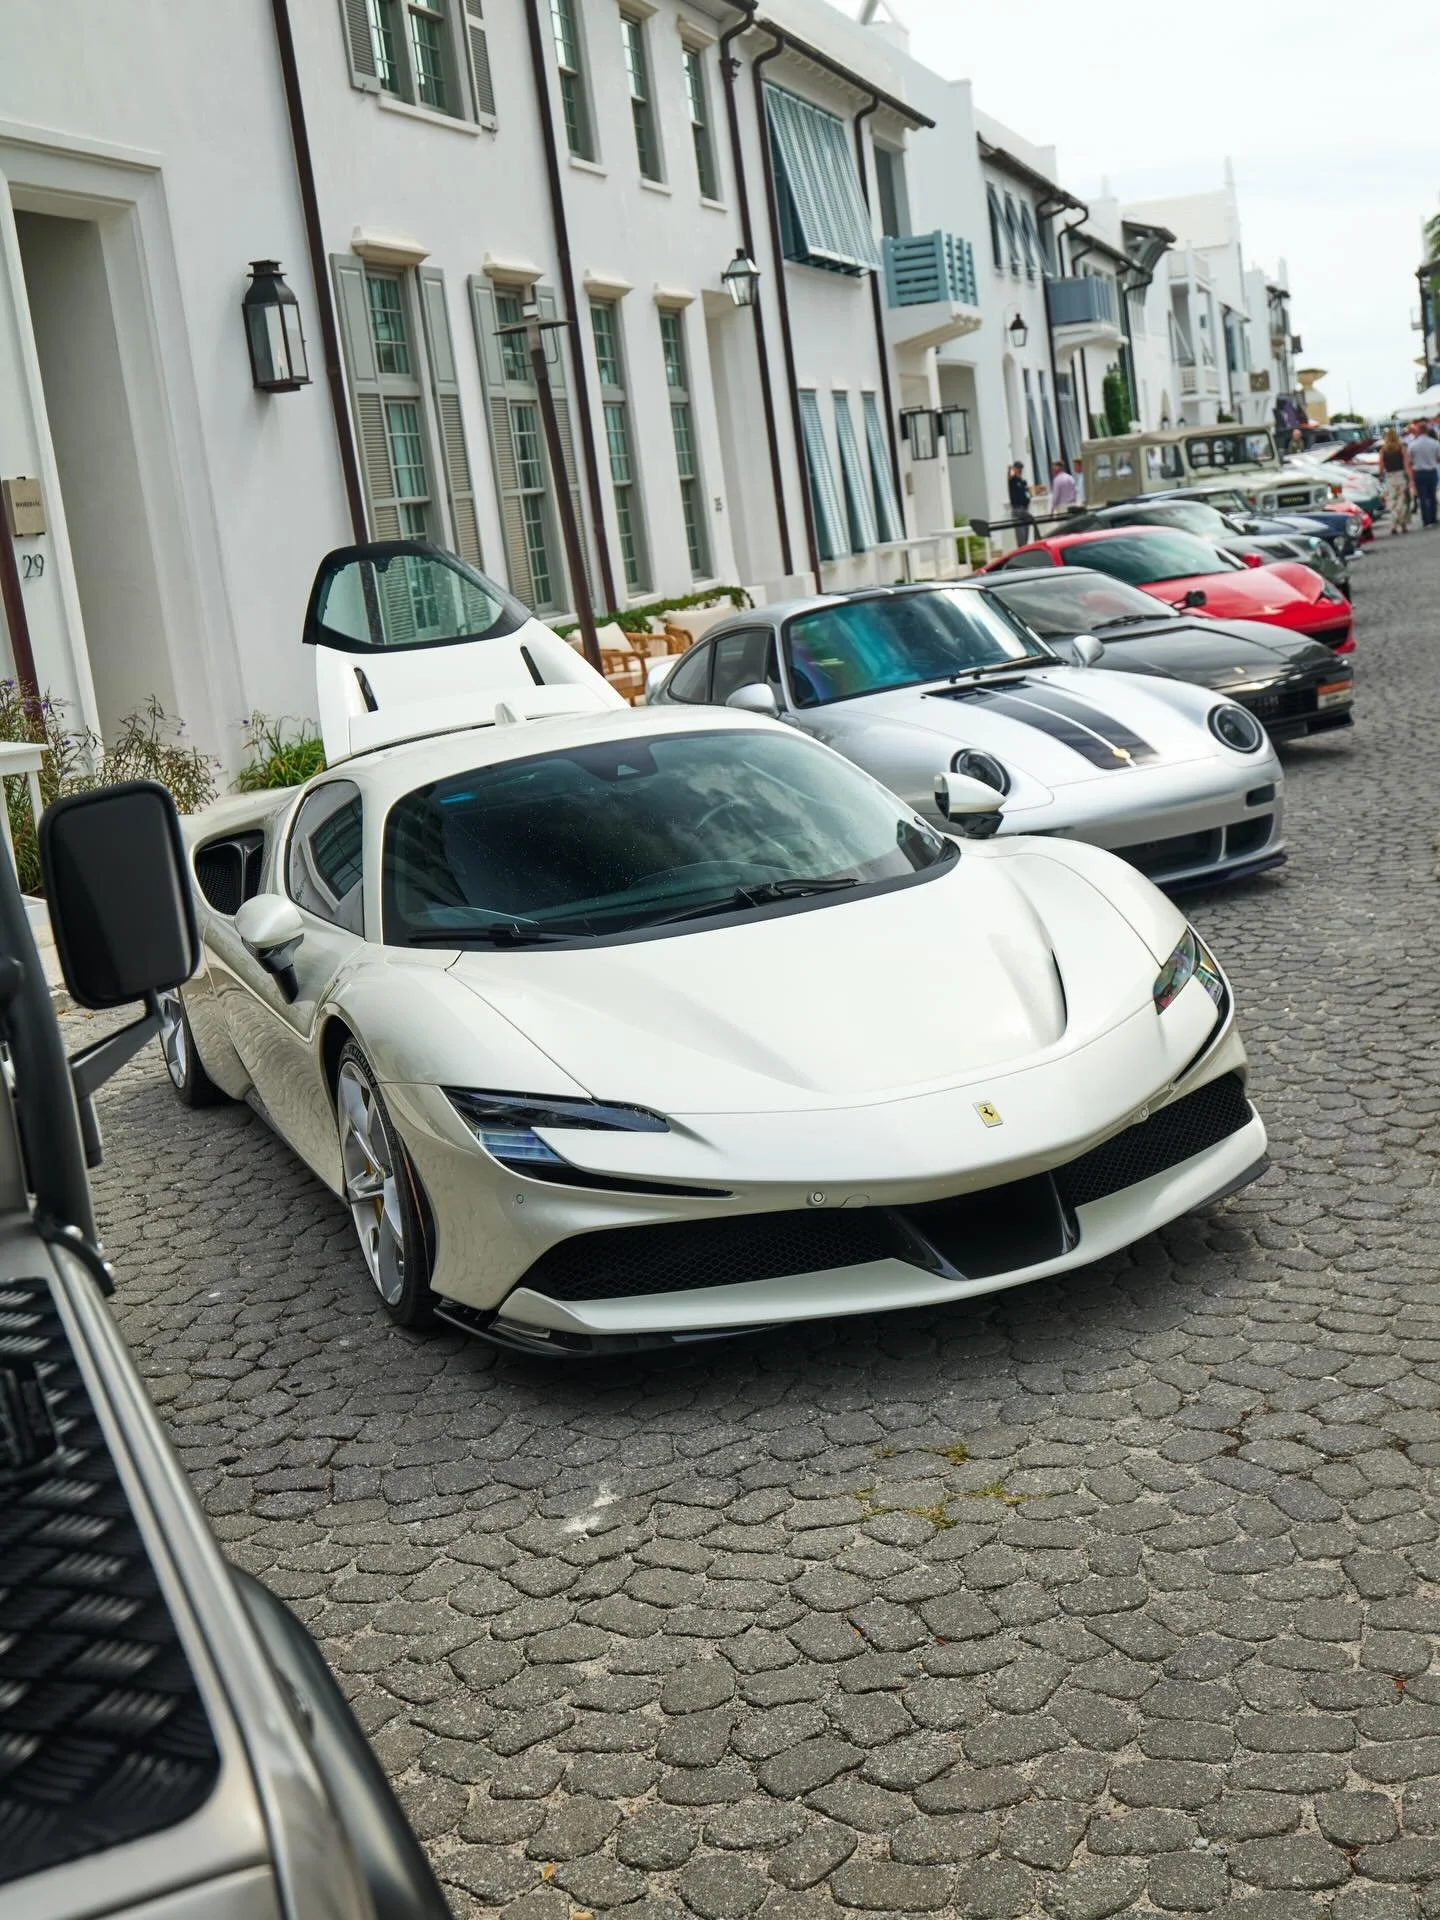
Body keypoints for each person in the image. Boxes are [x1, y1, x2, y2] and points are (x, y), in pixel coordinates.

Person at [1379, 427, 1414, 534]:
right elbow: (1407, 464)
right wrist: (1411, 479)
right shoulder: (1401, 448)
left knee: (1392, 501)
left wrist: (1380, 477)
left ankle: (1393, 525)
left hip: (1389, 478)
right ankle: (1403, 525)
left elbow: (1381, 466)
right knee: (1402, 501)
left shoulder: (1383, 450)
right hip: (1400, 477)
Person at [1408, 421, 1440, 528]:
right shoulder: (1435, 443)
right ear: (1427, 430)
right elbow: (1438, 458)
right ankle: (1433, 517)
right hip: (1431, 471)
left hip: (1419, 473)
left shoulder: (1413, 445)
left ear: (1418, 431)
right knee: (1432, 496)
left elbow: (1410, 461)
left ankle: (1426, 521)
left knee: (1422, 497)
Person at [1006, 462, 1036, 541]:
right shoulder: (1013, 480)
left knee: (1026, 533)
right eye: (1018, 468)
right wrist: (1009, 471)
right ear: (1015, 469)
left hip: (1024, 508)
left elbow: (1028, 493)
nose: (1020, 470)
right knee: (1021, 534)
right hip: (1017, 508)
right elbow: (1009, 478)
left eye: (1021, 468)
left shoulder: (1023, 481)